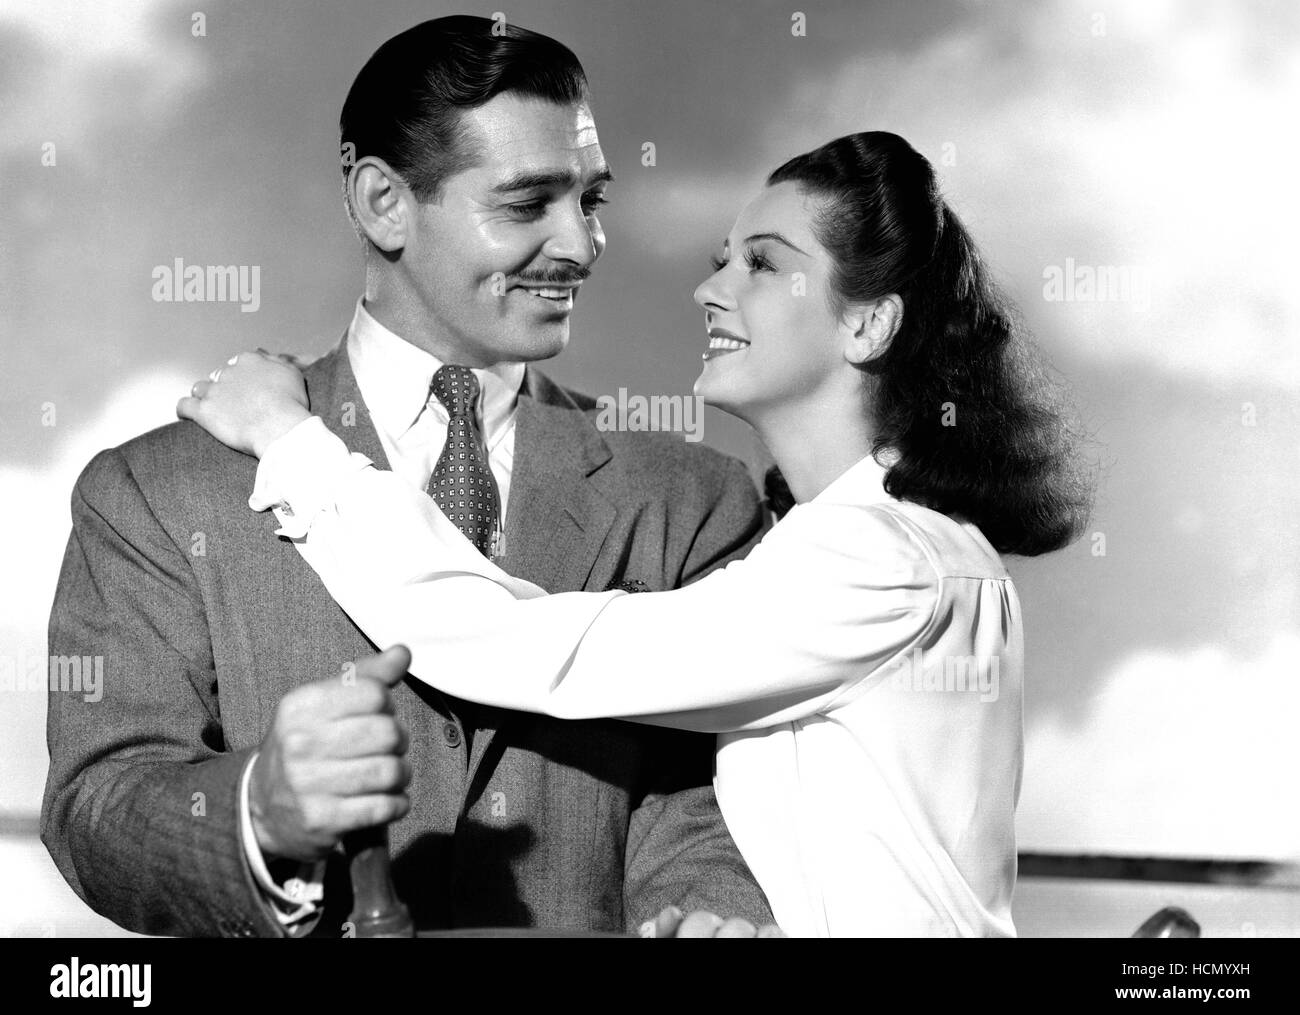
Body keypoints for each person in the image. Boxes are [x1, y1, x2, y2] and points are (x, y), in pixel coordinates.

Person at [181, 130, 1095, 937]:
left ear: (866, 321)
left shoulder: (884, 560)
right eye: (720, 258)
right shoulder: (892, 546)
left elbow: (524, 645)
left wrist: (291, 442)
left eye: (761, 265)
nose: (709, 288)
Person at [42, 16, 777, 938]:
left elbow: (715, 807)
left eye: (592, 200)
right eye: (526, 204)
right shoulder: (155, 491)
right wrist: (260, 809)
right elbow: (98, 806)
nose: (583, 245)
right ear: (384, 202)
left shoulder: (694, 499)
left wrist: (711, 914)